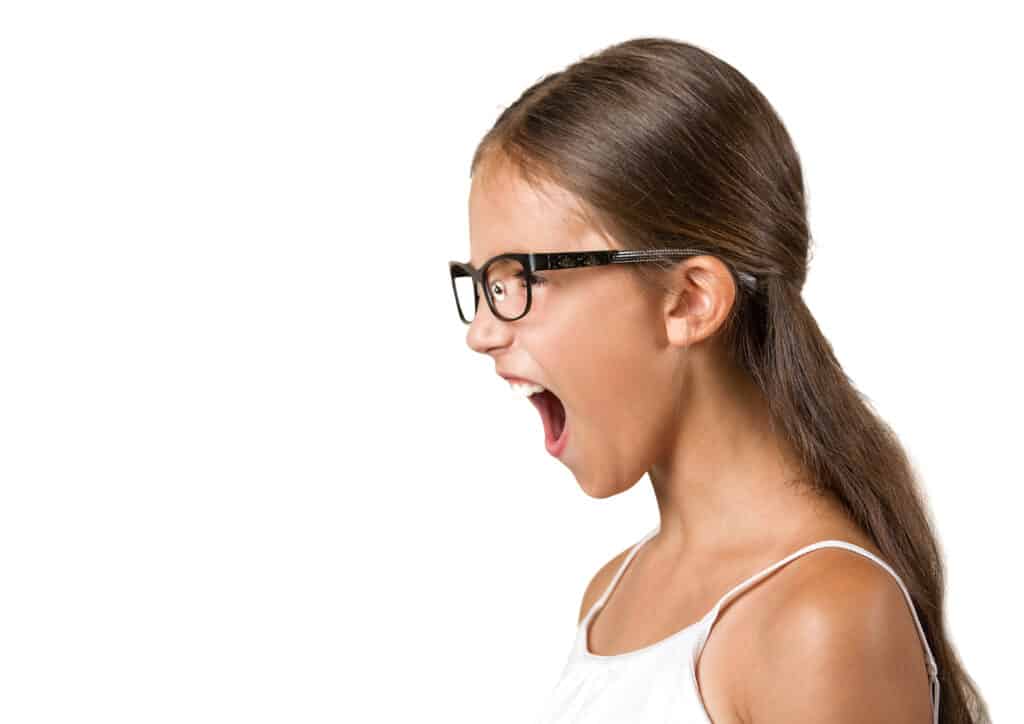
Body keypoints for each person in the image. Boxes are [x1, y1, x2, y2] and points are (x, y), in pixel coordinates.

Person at [449, 37, 989, 723]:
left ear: (689, 301)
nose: (482, 332)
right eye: (483, 286)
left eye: (520, 280)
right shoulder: (610, 597)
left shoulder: (819, 620)